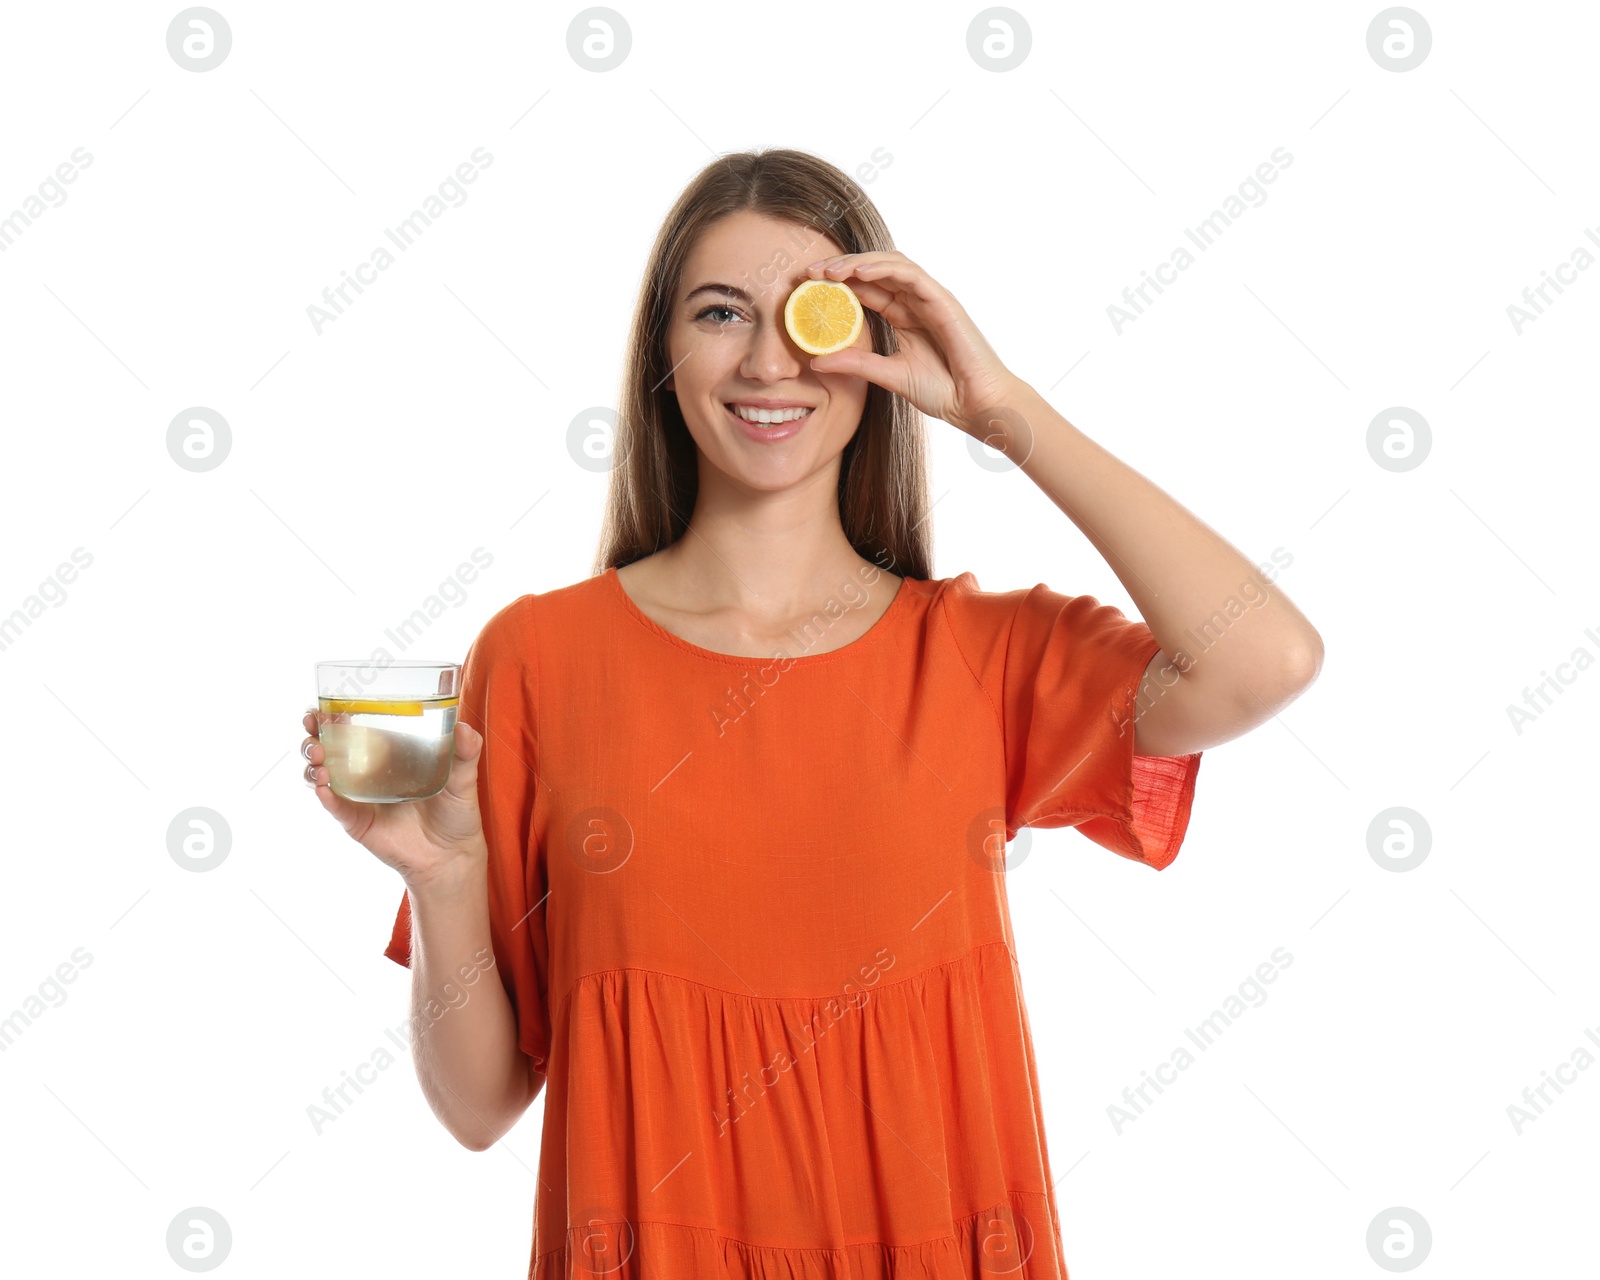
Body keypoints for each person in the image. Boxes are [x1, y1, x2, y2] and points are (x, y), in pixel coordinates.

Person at [300, 148, 1322, 1278]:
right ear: (664, 353)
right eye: (721, 312)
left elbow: (1264, 656)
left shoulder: (975, 656)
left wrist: (1004, 410)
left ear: (877, 349)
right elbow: (480, 1103)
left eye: (813, 316)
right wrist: (442, 880)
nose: (771, 359)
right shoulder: (540, 655)